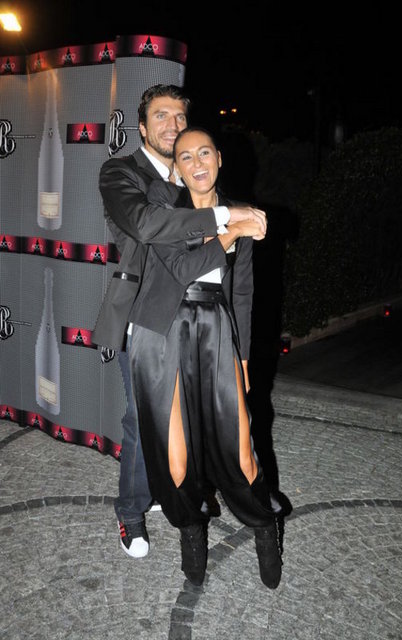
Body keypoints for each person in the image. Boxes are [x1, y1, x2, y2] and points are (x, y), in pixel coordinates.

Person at [92, 85, 267, 559]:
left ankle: (180, 491)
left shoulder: (196, 172)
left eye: (179, 116)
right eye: (160, 116)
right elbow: (148, 225)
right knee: (141, 418)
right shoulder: (122, 172)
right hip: (148, 316)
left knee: (197, 421)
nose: (171, 125)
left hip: (202, 320)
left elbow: (236, 281)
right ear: (142, 127)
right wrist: (227, 217)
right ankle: (131, 512)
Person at [129, 126, 282, 589]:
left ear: (218, 158)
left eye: (204, 153)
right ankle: (190, 532)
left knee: (242, 451)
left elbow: (242, 294)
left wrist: (244, 360)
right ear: (176, 169)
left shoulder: (240, 211)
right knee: (175, 460)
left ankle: (263, 526)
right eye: (185, 156)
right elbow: (180, 269)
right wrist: (232, 230)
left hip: (216, 327)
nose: (196, 163)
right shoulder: (164, 208)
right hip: (162, 330)